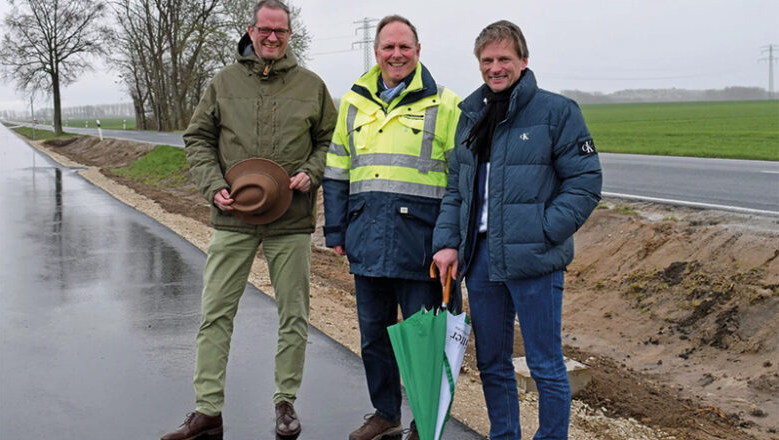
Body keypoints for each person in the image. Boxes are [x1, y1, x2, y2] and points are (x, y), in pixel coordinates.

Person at [161, 1, 336, 438]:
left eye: (281, 31)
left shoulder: (312, 86)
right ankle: (207, 411)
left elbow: (329, 141)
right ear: (250, 30)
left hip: (291, 220)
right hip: (232, 216)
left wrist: (310, 172)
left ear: (290, 34)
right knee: (215, 312)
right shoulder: (222, 82)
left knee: (294, 313)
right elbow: (197, 137)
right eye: (265, 30)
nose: (272, 37)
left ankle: (285, 402)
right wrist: (210, 184)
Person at [432, 20, 602, 440]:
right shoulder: (470, 117)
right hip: (483, 258)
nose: (495, 67)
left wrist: (545, 231)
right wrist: (448, 243)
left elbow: (585, 183)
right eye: (487, 60)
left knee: (545, 364)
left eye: (504, 58)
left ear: (523, 61)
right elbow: (457, 190)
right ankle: (503, 435)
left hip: (536, 258)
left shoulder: (557, 112)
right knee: (491, 362)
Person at [322, 14, 461, 440]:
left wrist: (450, 239)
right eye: (388, 47)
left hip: (424, 246)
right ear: (377, 52)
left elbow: (462, 180)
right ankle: (386, 413)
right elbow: (336, 170)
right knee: (373, 338)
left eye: (404, 47)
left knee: (425, 341)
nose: (396, 54)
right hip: (366, 239)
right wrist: (337, 230)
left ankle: (425, 420)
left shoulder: (446, 104)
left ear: (418, 51)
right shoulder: (354, 102)